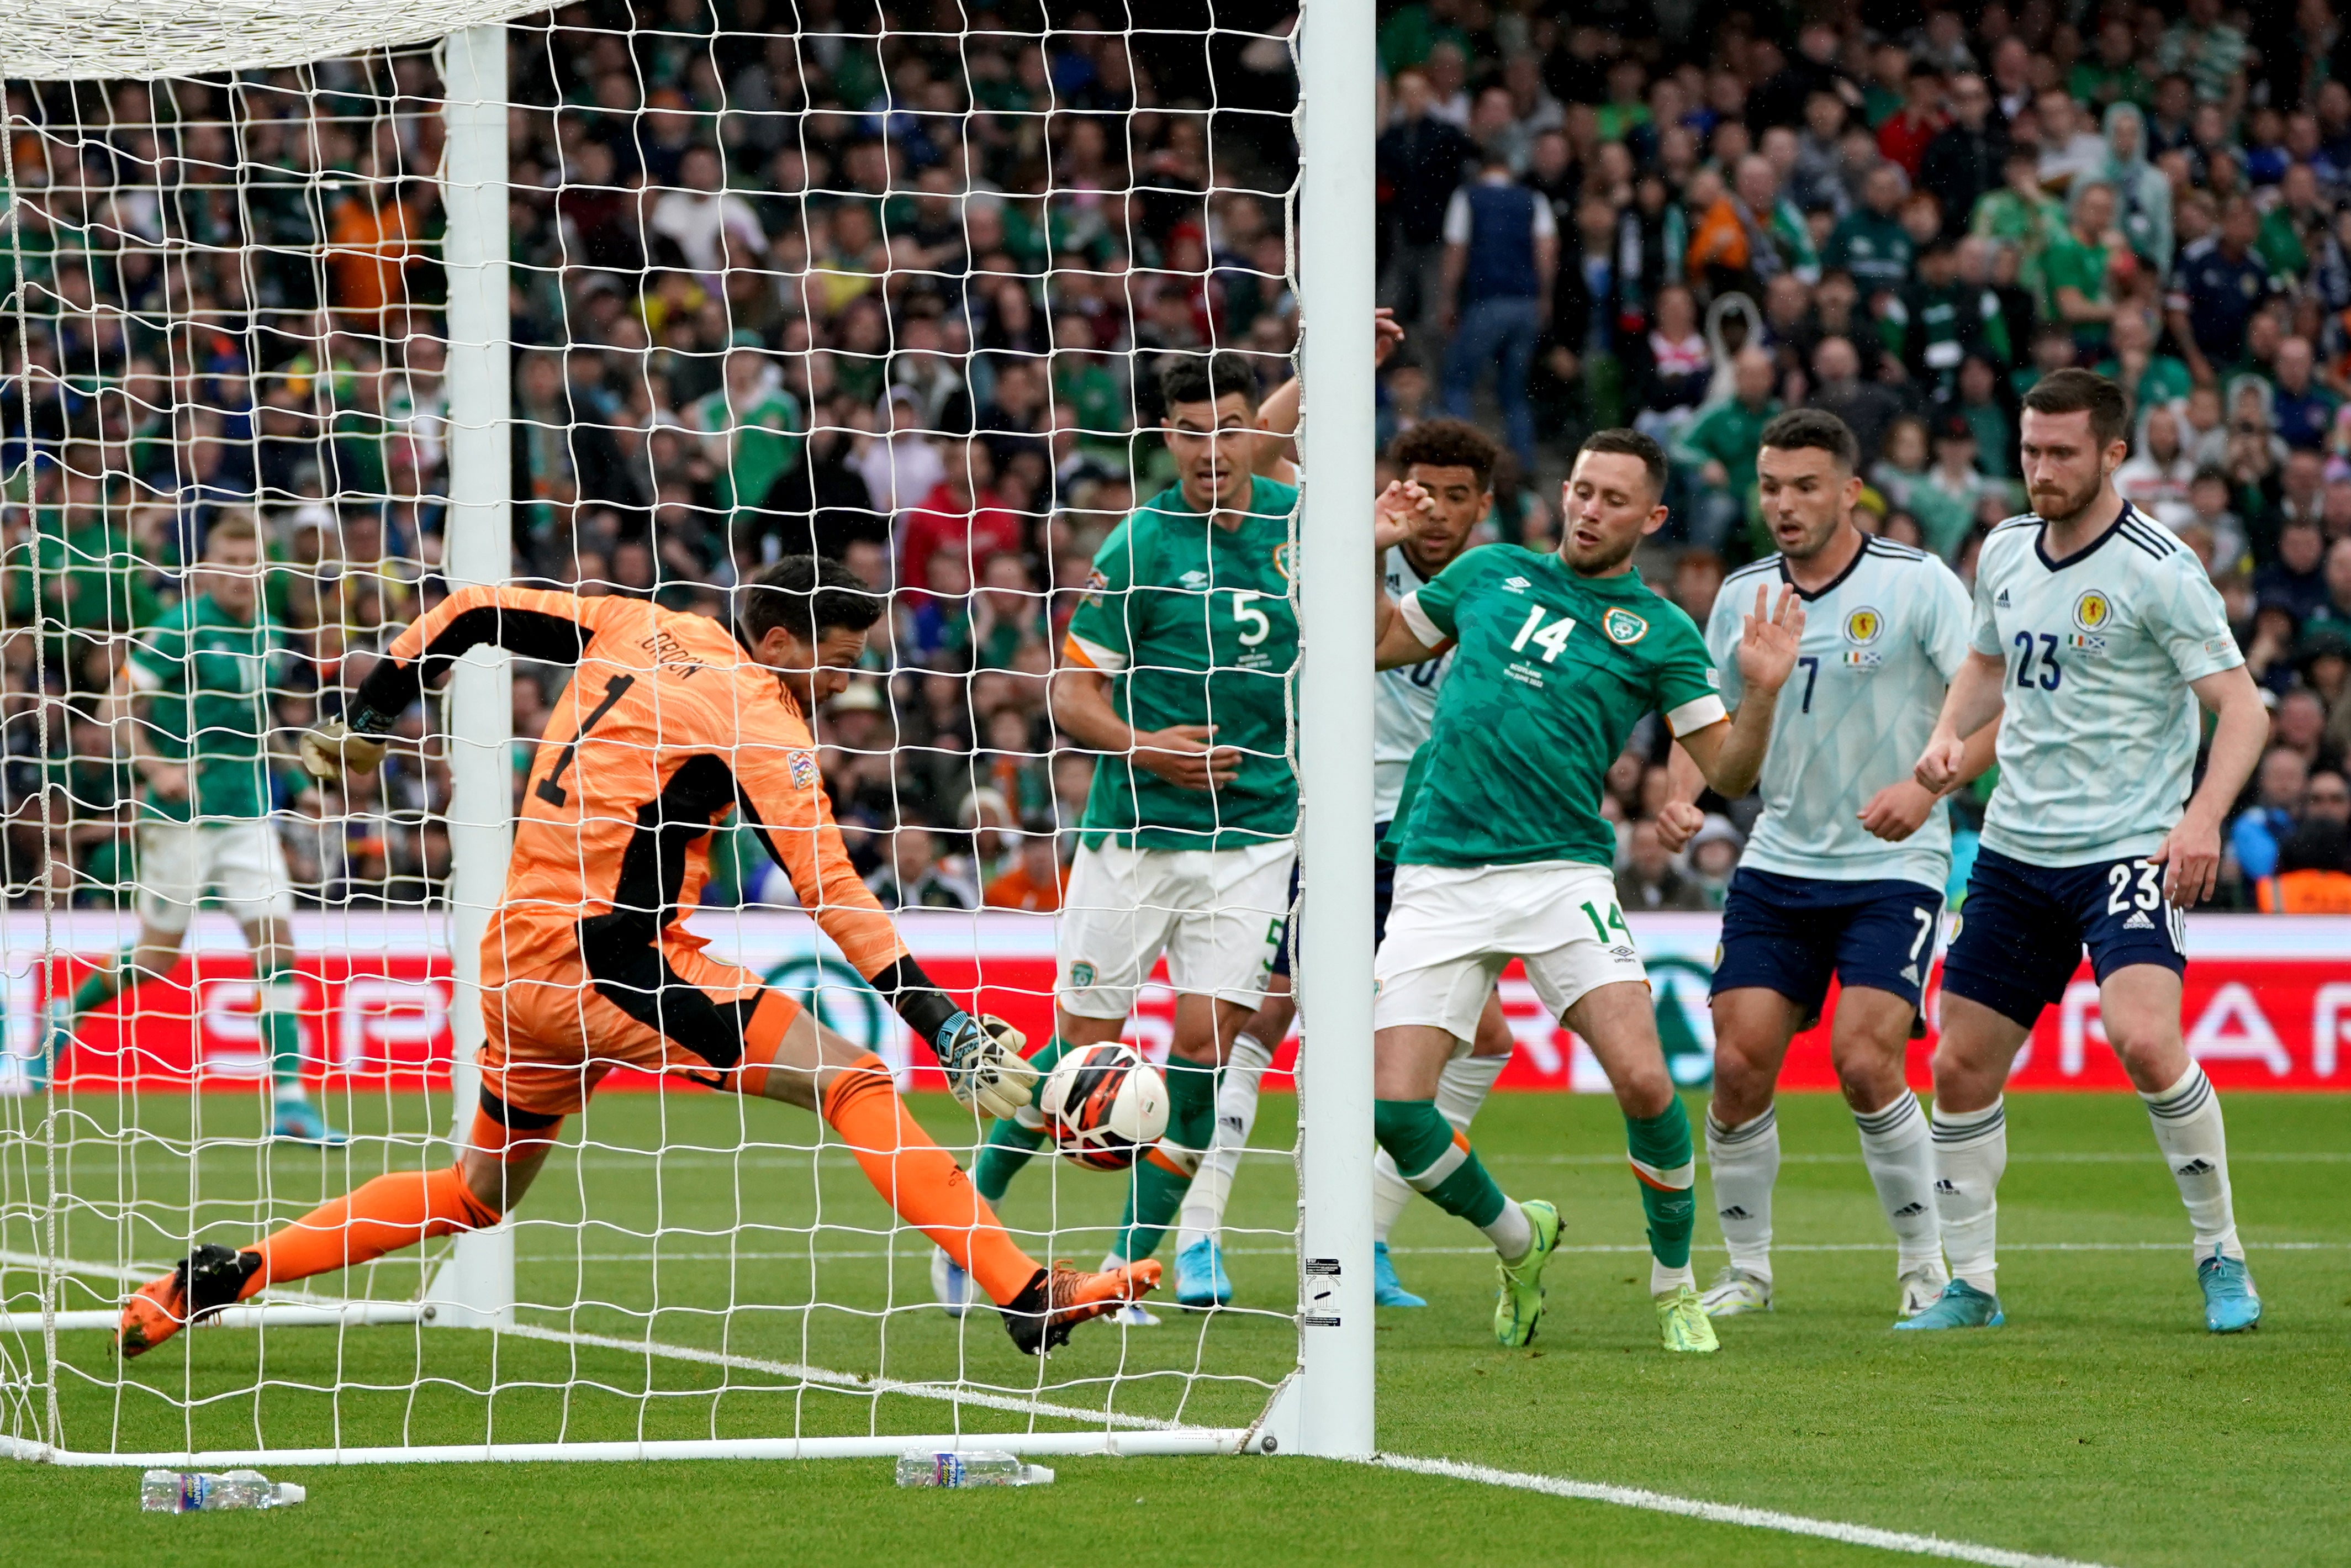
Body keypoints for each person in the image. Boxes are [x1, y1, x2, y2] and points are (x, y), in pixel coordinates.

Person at [118, 557, 1157, 1360]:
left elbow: (474, 608)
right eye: (837, 661)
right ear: (784, 638)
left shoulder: (636, 623)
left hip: (515, 958)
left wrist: (376, 709)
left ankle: (228, 1272)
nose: (844, 684)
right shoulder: (755, 711)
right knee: (855, 1077)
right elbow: (831, 887)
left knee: (479, 1191)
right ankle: (1023, 1290)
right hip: (611, 963)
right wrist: (943, 1020)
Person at [1366, 427, 1801, 1354]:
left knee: (1646, 1080)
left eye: (1613, 499)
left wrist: (1759, 693)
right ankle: (1518, 1238)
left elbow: (1722, 763)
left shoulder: (1660, 632)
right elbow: (1374, 642)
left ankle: (1674, 1283)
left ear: (1650, 517)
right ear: (1562, 490)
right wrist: (1370, 547)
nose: (1589, 509)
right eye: (1580, 489)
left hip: (1561, 868)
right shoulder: (1486, 574)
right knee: (1396, 1112)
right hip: (1438, 867)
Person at [1909, 369, 2270, 1334]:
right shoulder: (2005, 547)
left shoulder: (2159, 566)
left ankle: (2220, 1255)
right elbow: (1987, 660)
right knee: (1958, 1065)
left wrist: (2199, 820)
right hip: (2016, 849)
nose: (2040, 469)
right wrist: (1950, 732)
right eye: (2029, 449)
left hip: (2124, 846)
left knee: (2145, 1038)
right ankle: (1972, 1285)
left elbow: (2242, 708)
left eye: (2061, 452)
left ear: (2113, 453)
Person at [944, 352, 1298, 1326]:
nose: (1212, 449)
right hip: (1137, 831)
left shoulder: (1293, 523)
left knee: (1205, 1048)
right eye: (1191, 431)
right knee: (1081, 1051)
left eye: (1229, 426)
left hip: (1258, 832)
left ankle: (1127, 1267)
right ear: (1166, 438)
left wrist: (1331, 354)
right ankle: (974, 1224)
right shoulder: (1141, 542)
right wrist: (1153, 751)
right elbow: (1069, 695)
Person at [1172, 416, 1519, 1312]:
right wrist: (1332, 365)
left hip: (1438, 833)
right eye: (1420, 490)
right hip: (1331, 817)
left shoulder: (1502, 586)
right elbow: (1249, 445)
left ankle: (1362, 1237)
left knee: (1482, 1039)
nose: (1433, 512)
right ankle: (1199, 1233)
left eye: (1454, 496)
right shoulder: (1346, 535)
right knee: (1263, 1013)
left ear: (1483, 505)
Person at [1657, 409, 1995, 1322]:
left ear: (1850, 489)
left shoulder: (1917, 583)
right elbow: (1702, 714)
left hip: (1895, 859)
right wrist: (1683, 788)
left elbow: (1991, 697)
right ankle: (1749, 1272)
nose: (1783, 503)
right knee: (1736, 1062)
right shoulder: (1741, 595)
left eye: (1805, 485)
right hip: (1778, 857)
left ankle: (1926, 1267)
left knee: (1862, 1055)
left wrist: (1926, 791)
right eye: (1770, 485)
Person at [44, 514, 340, 1144]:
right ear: (208, 567)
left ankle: (290, 1101)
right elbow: (113, 707)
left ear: (265, 567)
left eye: (250, 561)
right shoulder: (180, 628)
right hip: (180, 818)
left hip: (247, 813)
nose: (240, 574)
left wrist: (303, 783)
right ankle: (64, 1011)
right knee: (157, 957)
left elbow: (259, 722)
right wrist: (157, 767)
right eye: (228, 562)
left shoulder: (268, 628)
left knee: (277, 946)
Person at [1439, 149, 1556, 469]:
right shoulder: (1534, 199)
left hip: (1487, 301)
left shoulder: (1469, 197)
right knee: (1514, 392)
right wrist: (1544, 296)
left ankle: (1461, 458)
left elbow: (1456, 251)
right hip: (1526, 304)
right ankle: (1525, 467)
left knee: (1457, 382)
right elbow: (1546, 250)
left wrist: (1448, 298)